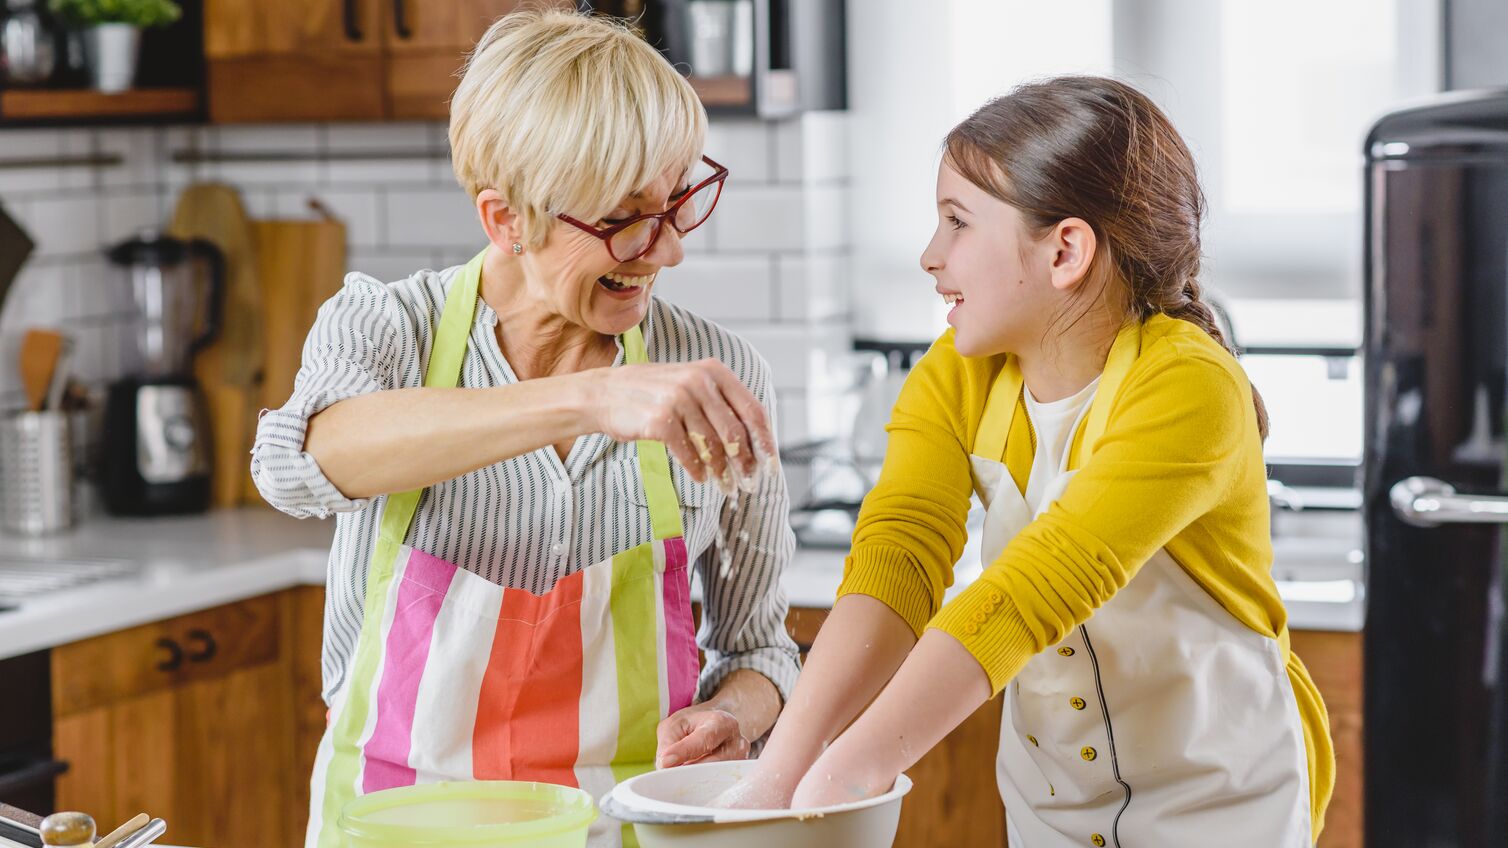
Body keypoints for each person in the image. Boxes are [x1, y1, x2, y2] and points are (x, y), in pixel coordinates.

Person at [250, 10, 799, 847]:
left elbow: (762, 649)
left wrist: (733, 712)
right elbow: (304, 466)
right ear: (506, 220)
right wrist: (586, 400)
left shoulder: (717, 374)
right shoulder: (387, 328)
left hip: (622, 829)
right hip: (399, 826)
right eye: (623, 218)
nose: (666, 251)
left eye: (677, 203)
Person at [740, 77, 1335, 847]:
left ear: (1065, 251)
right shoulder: (958, 372)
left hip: (1218, 809)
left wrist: (846, 779)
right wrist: (778, 774)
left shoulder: (1188, 386)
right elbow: (900, 555)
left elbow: (1038, 588)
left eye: (957, 223)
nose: (929, 255)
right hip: (1051, 811)